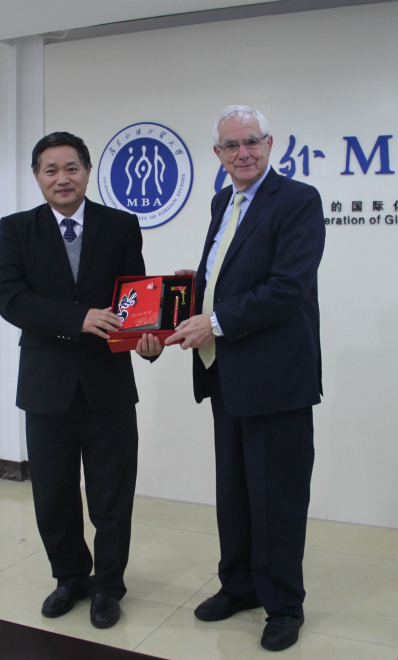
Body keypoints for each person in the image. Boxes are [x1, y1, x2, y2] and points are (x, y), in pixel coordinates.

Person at [165, 106, 325, 651]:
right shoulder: (223, 201)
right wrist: (199, 285)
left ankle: (283, 605)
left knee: (277, 497)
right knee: (233, 491)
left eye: (251, 141)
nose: (243, 153)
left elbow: (288, 287)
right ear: (218, 154)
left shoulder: (298, 200)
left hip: (276, 378)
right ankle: (239, 586)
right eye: (231, 145)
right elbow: (232, 270)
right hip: (226, 374)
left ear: (270, 143)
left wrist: (213, 320)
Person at [0, 132, 163, 630]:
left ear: (87, 171)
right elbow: (10, 298)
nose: (62, 178)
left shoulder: (120, 225)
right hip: (46, 387)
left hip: (108, 384)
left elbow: (136, 300)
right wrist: (77, 318)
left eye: (71, 168)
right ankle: (69, 577)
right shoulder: (17, 229)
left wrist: (148, 340)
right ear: (37, 177)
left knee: (112, 496)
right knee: (53, 495)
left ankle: (108, 586)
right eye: (51, 170)